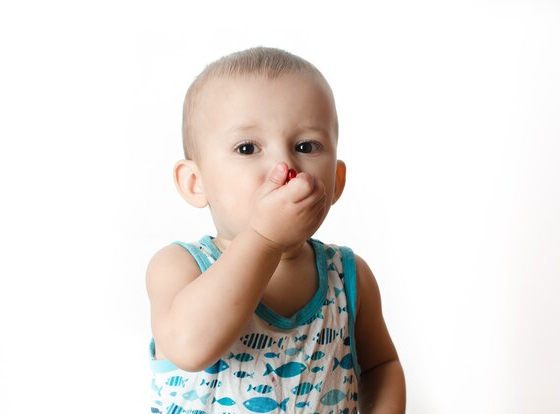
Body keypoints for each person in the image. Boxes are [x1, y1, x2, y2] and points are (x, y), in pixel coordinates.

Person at [146, 46, 406, 414]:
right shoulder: (179, 268)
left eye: (306, 146)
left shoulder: (349, 277)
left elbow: (382, 367)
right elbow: (189, 348)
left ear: (337, 180)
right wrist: (264, 238)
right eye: (248, 147)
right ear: (194, 182)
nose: (284, 166)